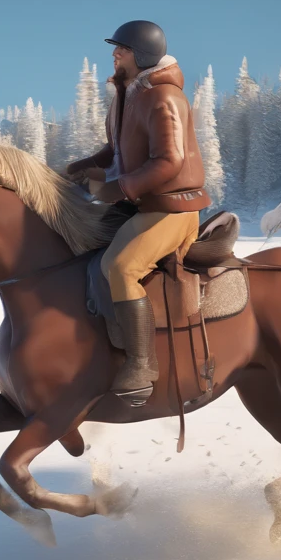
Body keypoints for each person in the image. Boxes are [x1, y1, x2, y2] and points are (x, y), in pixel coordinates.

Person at [65, 20, 208, 406]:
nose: (114, 54)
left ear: (141, 56)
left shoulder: (164, 98)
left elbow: (169, 161)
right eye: (116, 48)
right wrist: (79, 168)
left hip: (172, 208)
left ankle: (142, 364)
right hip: (143, 203)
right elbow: (115, 153)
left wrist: (118, 188)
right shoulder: (128, 95)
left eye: (122, 50)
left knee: (121, 266)